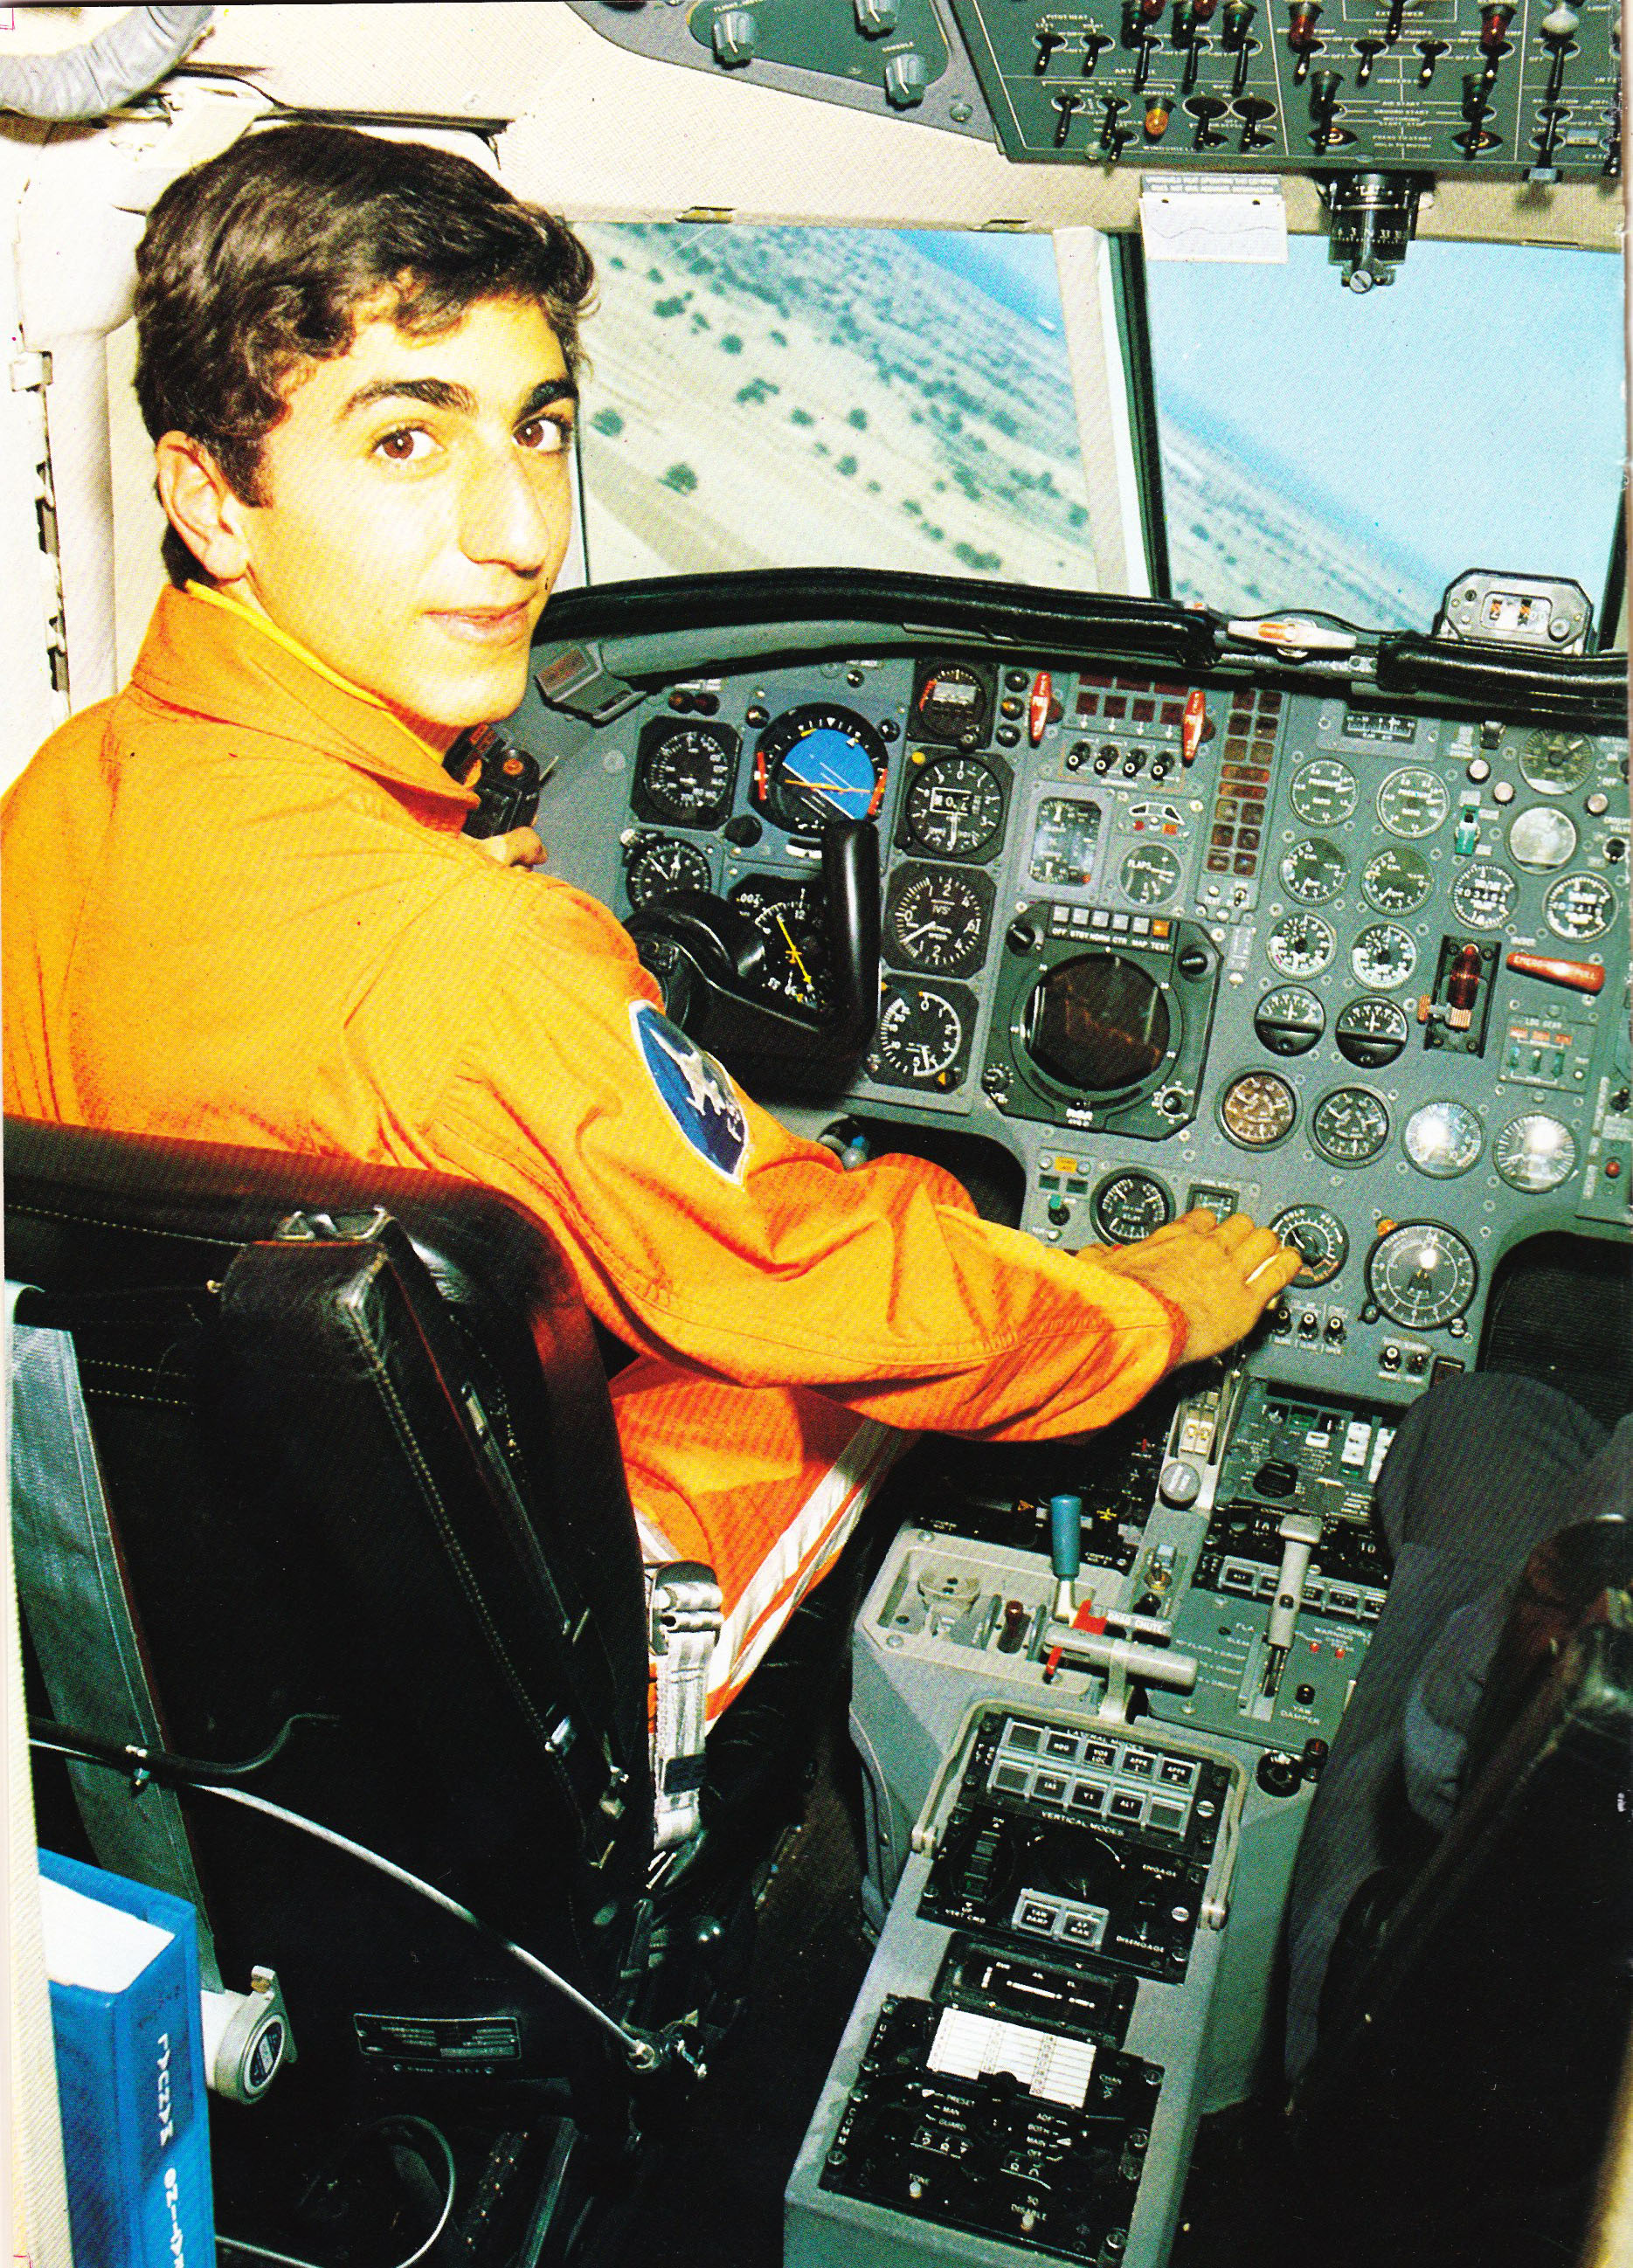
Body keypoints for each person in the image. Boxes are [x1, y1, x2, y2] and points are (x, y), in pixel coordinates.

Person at [1, 125, 1302, 1717]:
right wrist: (1147, 1308)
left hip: (138, 1599)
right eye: (406, 442)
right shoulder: (472, 961)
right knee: (880, 1308)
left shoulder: (69, 784)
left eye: (538, 429)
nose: (519, 533)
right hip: (469, 1692)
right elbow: (821, 1288)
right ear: (211, 499)